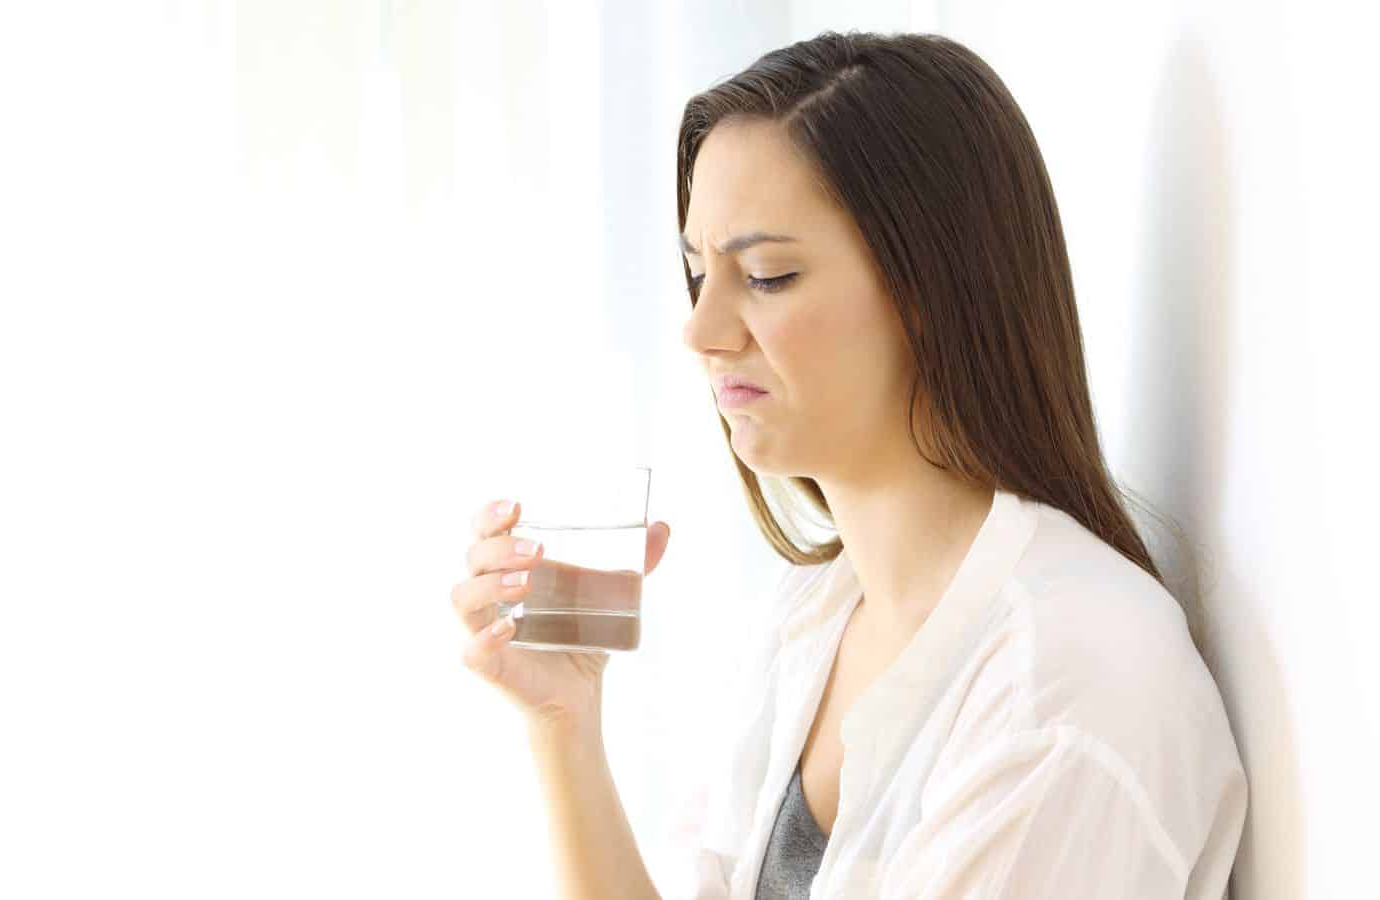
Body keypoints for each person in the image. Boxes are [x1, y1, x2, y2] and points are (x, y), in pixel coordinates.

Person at [449, 29, 1247, 900]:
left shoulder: (1071, 680)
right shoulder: (812, 617)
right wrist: (563, 724)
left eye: (767, 275)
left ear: (931, 289)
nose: (701, 330)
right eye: (698, 273)